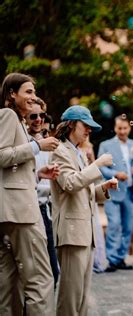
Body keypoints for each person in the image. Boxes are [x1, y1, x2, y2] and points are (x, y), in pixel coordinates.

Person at [0, 73, 59, 315]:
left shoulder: (16, 120)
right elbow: (2, 155)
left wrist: (37, 173)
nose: (33, 97)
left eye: (34, 92)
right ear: (12, 94)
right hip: (21, 213)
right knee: (41, 280)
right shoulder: (8, 115)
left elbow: (11, 169)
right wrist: (37, 146)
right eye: (28, 91)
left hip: (9, 212)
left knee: (8, 283)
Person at [50, 105, 117, 315]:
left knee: (81, 297)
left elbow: (83, 192)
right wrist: (97, 165)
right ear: (71, 124)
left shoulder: (78, 153)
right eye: (85, 125)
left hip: (84, 233)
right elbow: (69, 184)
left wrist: (103, 189)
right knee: (70, 297)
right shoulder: (59, 151)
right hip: (71, 233)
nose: (88, 130)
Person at [98, 115, 133, 272]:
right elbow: (101, 167)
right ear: (115, 128)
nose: (122, 131)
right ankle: (112, 259)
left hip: (131, 192)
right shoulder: (106, 145)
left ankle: (120, 258)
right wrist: (115, 173)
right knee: (113, 225)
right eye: (119, 128)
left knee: (127, 227)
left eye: (125, 128)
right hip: (113, 191)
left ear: (129, 128)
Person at [25, 97, 60, 287]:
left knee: (53, 272)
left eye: (42, 115)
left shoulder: (47, 145)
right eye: (33, 116)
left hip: (46, 211)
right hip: (30, 211)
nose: (38, 119)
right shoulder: (24, 144)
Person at [78, 137, 108, 273]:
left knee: (94, 227)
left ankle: (95, 261)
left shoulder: (89, 148)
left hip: (89, 192)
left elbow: (95, 175)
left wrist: (91, 161)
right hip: (78, 193)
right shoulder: (68, 150)